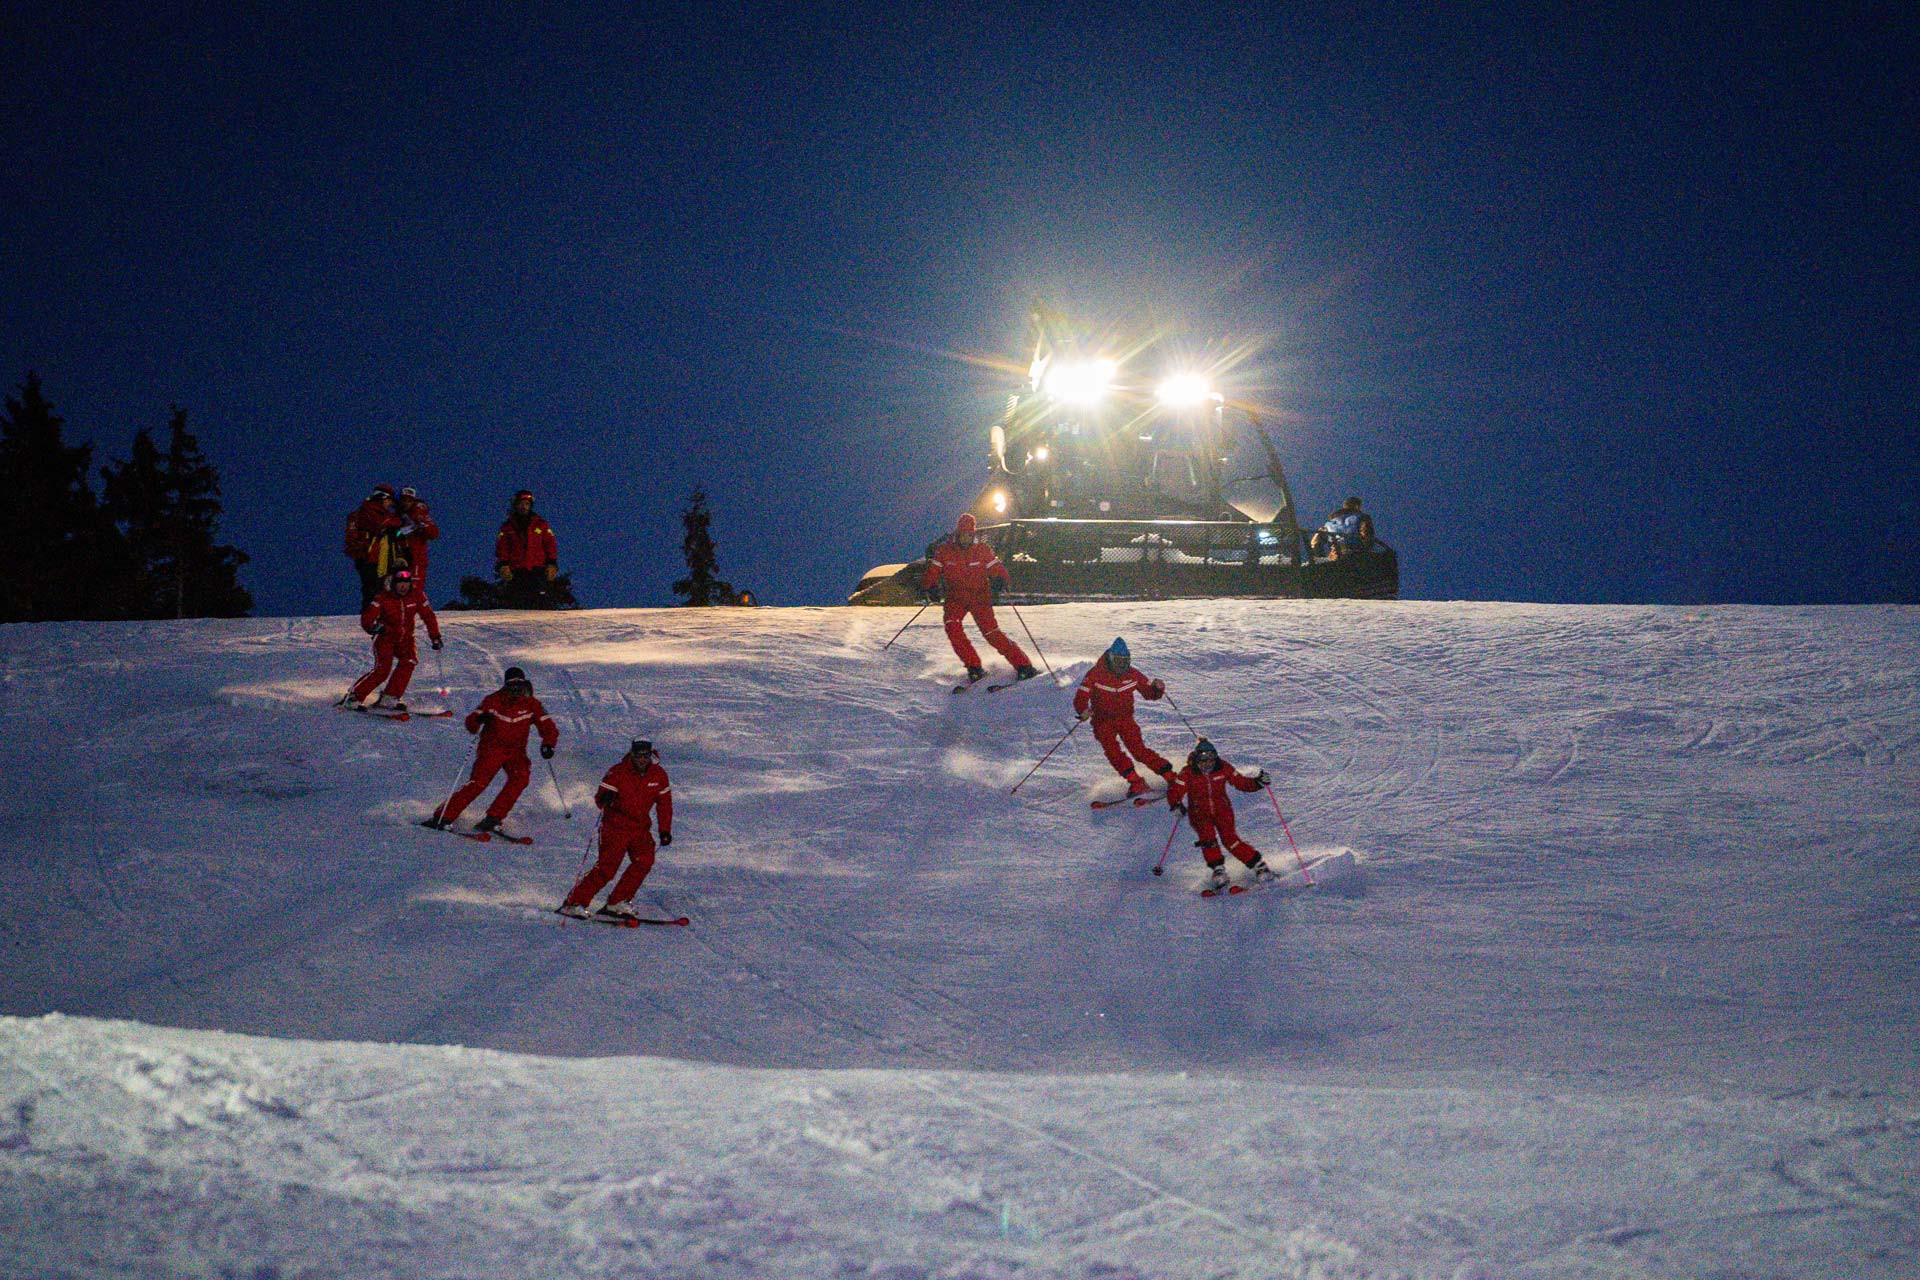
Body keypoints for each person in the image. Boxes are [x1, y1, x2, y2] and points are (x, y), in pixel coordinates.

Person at [424, 666, 558, 835]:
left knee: (520, 777)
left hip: (516, 751)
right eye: (511, 684)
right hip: (492, 748)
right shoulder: (493, 700)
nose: (515, 688)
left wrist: (548, 744)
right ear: (505, 685)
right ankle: (443, 816)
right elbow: (471, 723)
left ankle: (493, 817)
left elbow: (548, 726)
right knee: (478, 783)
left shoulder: (532, 704)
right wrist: (479, 719)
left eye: (519, 683)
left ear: (524, 684)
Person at [558, 739, 674, 920]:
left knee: (644, 861)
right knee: (607, 868)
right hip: (615, 827)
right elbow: (600, 799)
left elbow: (664, 804)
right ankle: (574, 903)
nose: (642, 760)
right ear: (632, 754)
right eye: (638, 756)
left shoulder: (658, 775)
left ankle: (617, 901)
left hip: (640, 828)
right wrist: (607, 798)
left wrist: (664, 830)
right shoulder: (618, 772)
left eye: (645, 756)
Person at [920, 512, 1038, 685]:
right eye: (962, 535)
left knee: (991, 633)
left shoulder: (982, 550)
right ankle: (973, 667)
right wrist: (929, 586)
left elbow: (996, 567)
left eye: (969, 535)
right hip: (956, 597)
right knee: (952, 627)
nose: (965, 538)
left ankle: (1023, 666)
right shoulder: (945, 551)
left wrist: (1000, 579)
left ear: (973, 534)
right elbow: (933, 571)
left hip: (979, 597)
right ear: (957, 534)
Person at [1166, 737, 1275, 892]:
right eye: (1203, 761)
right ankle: (1218, 871)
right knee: (1208, 840)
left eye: (1210, 761)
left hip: (1222, 810)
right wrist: (1176, 805)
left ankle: (1260, 867)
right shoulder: (1188, 773)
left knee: (1231, 840)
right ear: (1196, 759)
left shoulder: (1223, 767)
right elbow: (1174, 791)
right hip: (1199, 813)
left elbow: (1241, 782)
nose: (1207, 765)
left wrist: (1257, 783)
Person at [1073, 637, 1175, 796]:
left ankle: (1170, 776)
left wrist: (1157, 689)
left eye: (1125, 660)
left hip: (1126, 719)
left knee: (1139, 750)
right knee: (1113, 752)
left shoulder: (1133, 674)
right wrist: (1083, 711)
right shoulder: (1095, 674)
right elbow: (1080, 697)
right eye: (1119, 660)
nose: (1122, 664)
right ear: (1110, 658)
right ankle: (1136, 782)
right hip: (1102, 722)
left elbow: (1149, 694)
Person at [342, 568, 441, 711]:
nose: (403, 587)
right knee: (383, 670)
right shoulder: (383, 597)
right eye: (400, 584)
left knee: (410, 661)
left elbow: (428, 616)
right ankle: (354, 696)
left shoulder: (417, 595)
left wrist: (435, 637)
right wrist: (372, 627)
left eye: (406, 584)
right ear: (393, 584)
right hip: (385, 638)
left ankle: (390, 696)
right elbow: (368, 617)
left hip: (405, 639)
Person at [344, 484, 404, 608]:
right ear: (382, 497)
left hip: (377, 557)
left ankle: (377, 616)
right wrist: (397, 522)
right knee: (372, 587)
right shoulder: (370, 510)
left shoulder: (376, 511)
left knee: (378, 587)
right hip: (369, 556)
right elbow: (382, 523)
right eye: (389, 500)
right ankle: (370, 617)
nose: (390, 504)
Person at [495, 489, 559, 605]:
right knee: (518, 605)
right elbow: (502, 548)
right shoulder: (508, 527)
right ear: (515, 505)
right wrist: (503, 565)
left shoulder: (540, 524)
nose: (524, 507)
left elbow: (550, 544)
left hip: (538, 570)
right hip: (516, 572)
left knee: (541, 604)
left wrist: (552, 564)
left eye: (526, 504)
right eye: (521, 504)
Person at [393, 486, 440, 594]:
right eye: (404, 500)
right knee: (396, 589)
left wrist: (422, 527)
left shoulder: (420, 514)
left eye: (409, 500)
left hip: (416, 559)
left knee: (415, 589)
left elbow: (434, 532)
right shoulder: (395, 515)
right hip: (398, 559)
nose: (406, 503)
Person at [1310, 496, 1375, 561]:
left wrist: (1322, 558)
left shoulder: (1329, 523)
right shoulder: (1362, 517)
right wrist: (1367, 555)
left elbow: (1315, 542)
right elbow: (1367, 536)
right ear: (1357, 507)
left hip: (1335, 556)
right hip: (1356, 556)